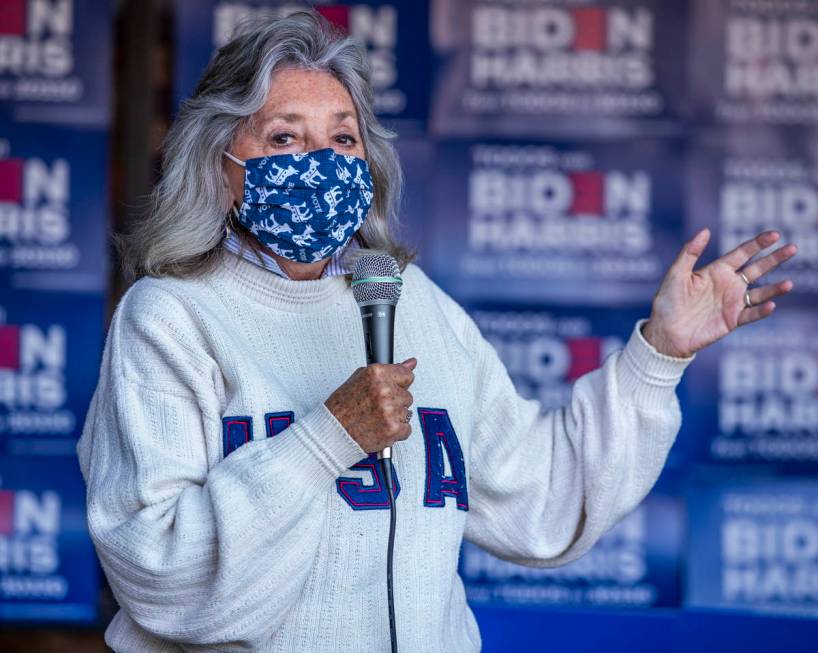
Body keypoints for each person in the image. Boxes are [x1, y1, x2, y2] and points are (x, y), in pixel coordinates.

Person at [77, 10, 798, 653]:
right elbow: (162, 572)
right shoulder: (170, 316)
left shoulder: (402, 297)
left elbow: (542, 501)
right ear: (222, 167)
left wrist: (659, 353)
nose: (319, 163)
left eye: (343, 139)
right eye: (284, 137)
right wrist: (331, 435)